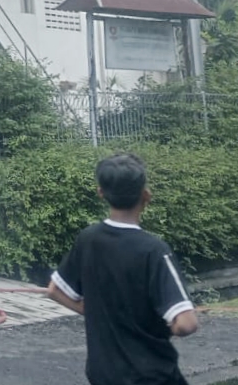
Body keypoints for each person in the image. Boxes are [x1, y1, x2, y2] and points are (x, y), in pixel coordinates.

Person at [45, 152, 199, 385]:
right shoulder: (154, 251)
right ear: (146, 195)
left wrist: (97, 311)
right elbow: (186, 323)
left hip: (103, 374)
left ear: (101, 193)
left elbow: (55, 290)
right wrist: (172, 325)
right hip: (152, 377)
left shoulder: (88, 240)